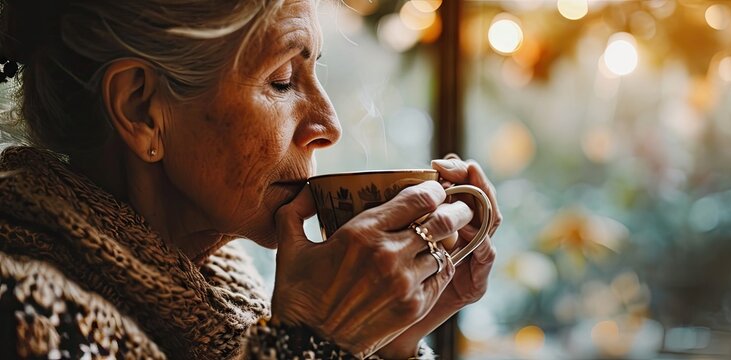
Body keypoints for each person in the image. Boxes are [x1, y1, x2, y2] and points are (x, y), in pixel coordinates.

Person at [0, 0, 502, 358]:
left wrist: (389, 340)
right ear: (140, 109)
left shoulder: (239, 299)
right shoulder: (26, 313)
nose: (328, 125)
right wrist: (311, 341)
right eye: (282, 80)